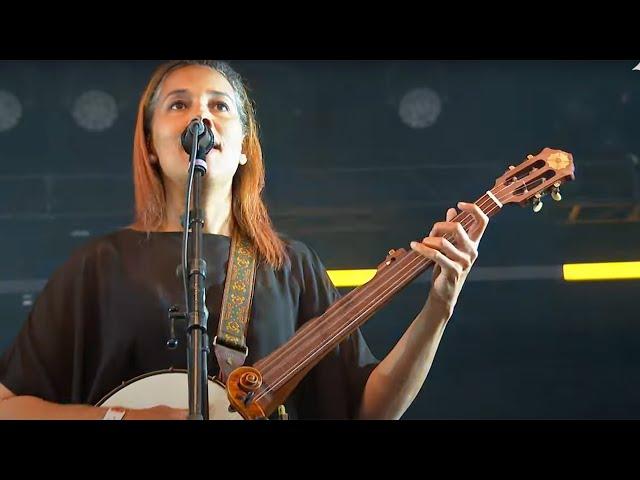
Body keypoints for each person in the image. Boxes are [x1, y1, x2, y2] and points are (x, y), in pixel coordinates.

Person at [0, 60, 489, 420]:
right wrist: (117, 419)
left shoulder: (290, 265)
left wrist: (438, 308)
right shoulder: (97, 265)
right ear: (151, 147)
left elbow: (370, 411)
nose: (201, 117)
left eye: (219, 105)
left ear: (242, 150)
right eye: (178, 104)